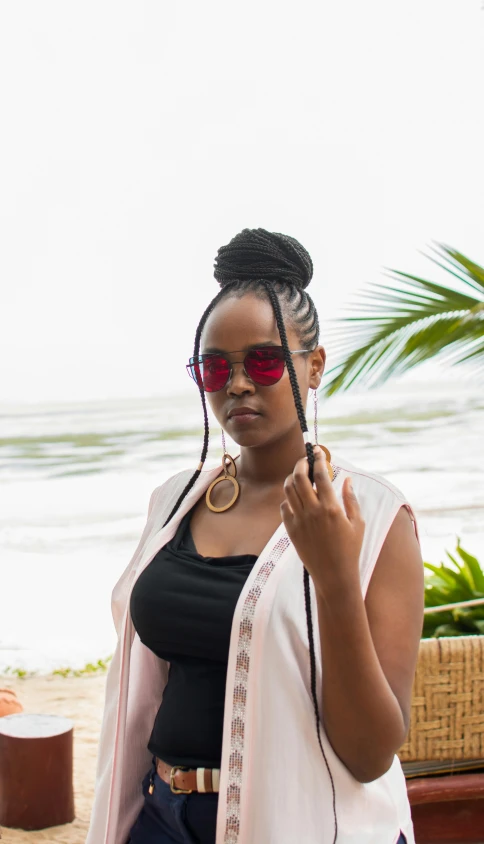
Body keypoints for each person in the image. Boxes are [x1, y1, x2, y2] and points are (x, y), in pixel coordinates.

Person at [86, 228, 424, 844]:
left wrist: (335, 576)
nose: (237, 383)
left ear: (314, 365)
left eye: (264, 361)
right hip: (161, 815)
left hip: (296, 822)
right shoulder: (174, 502)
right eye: (214, 368)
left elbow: (372, 752)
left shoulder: (374, 516)